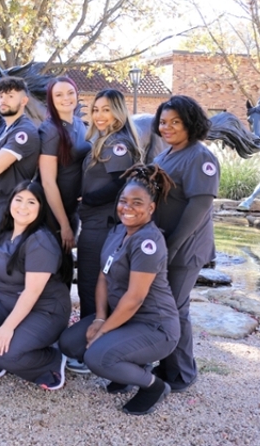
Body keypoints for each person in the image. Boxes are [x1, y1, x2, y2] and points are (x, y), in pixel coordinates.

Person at [59, 164, 180, 416]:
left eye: (137, 203)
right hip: (123, 319)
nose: (127, 208)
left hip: (154, 326)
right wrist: (100, 318)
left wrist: (103, 330)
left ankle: (153, 386)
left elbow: (135, 298)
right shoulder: (117, 231)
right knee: (70, 344)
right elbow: (103, 276)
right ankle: (127, 370)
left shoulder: (148, 242)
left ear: (151, 208)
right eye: (124, 201)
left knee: (97, 357)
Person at [0, 181, 71, 389]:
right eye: (18, 199)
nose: (22, 206)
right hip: (5, 300)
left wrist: (8, 327)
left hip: (44, 309)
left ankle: (52, 360)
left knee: (5, 352)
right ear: (10, 202)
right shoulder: (3, 229)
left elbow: (32, 292)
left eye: (31, 202)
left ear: (40, 208)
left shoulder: (40, 241)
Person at [151, 95, 220, 392]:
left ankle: (181, 373)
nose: (167, 128)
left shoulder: (199, 157)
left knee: (176, 309)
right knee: (167, 307)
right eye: (164, 122)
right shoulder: (165, 155)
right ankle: (168, 363)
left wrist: (174, 246)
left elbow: (199, 206)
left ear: (190, 123)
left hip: (185, 247)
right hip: (165, 245)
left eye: (175, 122)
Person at [77, 89, 141, 320]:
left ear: (118, 112)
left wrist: (89, 199)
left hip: (102, 225)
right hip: (96, 222)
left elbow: (121, 184)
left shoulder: (117, 143)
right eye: (96, 110)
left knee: (90, 283)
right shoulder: (105, 139)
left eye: (106, 109)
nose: (99, 115)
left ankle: (88, 341)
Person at [0, 77, 41, 236]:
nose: (3, 100)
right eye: (0, 96)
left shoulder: (23, 132)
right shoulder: (3, 130)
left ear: (24, 101)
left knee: (3, 257)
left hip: (9, 206)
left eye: (10, 96)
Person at [38, 76, 92, 255]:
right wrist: (64, 225)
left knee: (67, 266)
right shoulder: (50, 130)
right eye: (59, 95)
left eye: (70, 93)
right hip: (53, 213)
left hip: (73, 208)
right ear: (51, 100)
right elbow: (48, 182)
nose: (66, 98)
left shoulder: (79, 124)